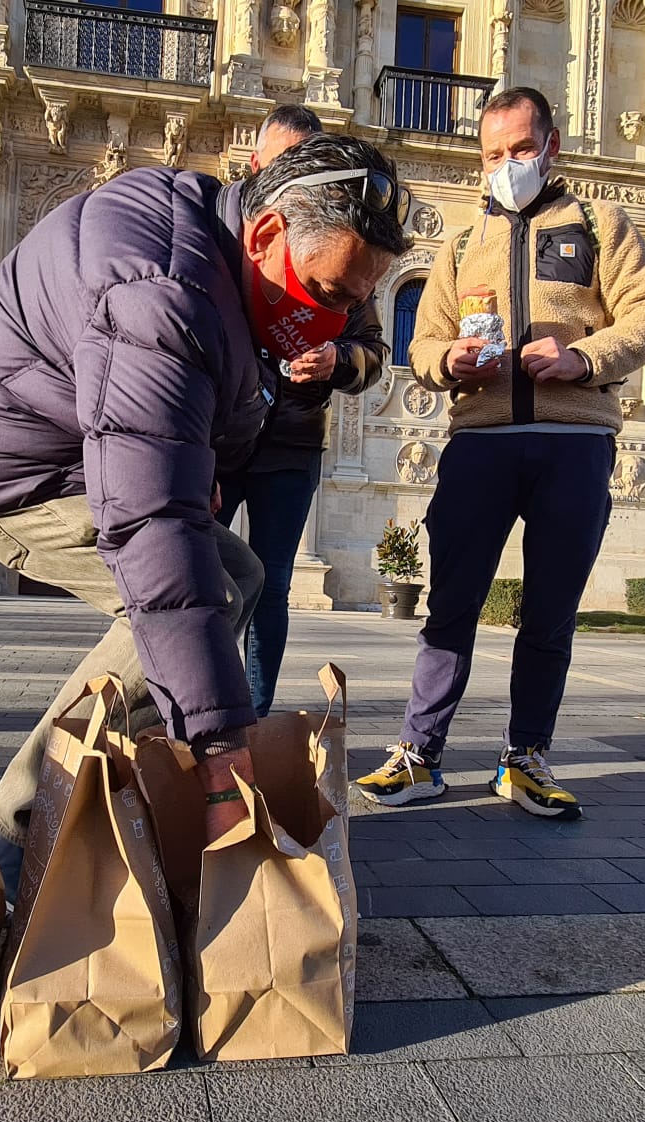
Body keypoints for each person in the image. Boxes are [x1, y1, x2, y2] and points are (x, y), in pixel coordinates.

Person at [0, 134, 408, 873]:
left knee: (233, 575)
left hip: (54, 447)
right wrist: (222, 755)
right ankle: (17, 833)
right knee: (203, 583)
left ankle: (100, 797)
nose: (336, 320)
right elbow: (152, 529)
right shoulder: (164, 290)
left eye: (358, 303)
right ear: (266, 232)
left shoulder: (218, 247)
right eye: (329, 293)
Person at [356, 87, 645, 820]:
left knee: (550, 613)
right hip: (480, 444)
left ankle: (525, 757)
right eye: (494, 154)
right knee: (451, 604)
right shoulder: (462, 246)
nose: (508, 165)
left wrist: (584, 358)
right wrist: (448, 363)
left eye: (522, 150)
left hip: (575, 443)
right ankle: (420, 755)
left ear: (551, 146)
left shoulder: (599, 225)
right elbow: (424, 343)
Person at [217, 106, 392, 717]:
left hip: (290, 445)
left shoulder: (338, 251)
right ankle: (191, 713)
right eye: (286, 163)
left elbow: (375, 354)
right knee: (196, 578)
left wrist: (338, 360)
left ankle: (253, 719)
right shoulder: (222, 234)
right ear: (255, 165)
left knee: (271, 588)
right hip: (220, 440)